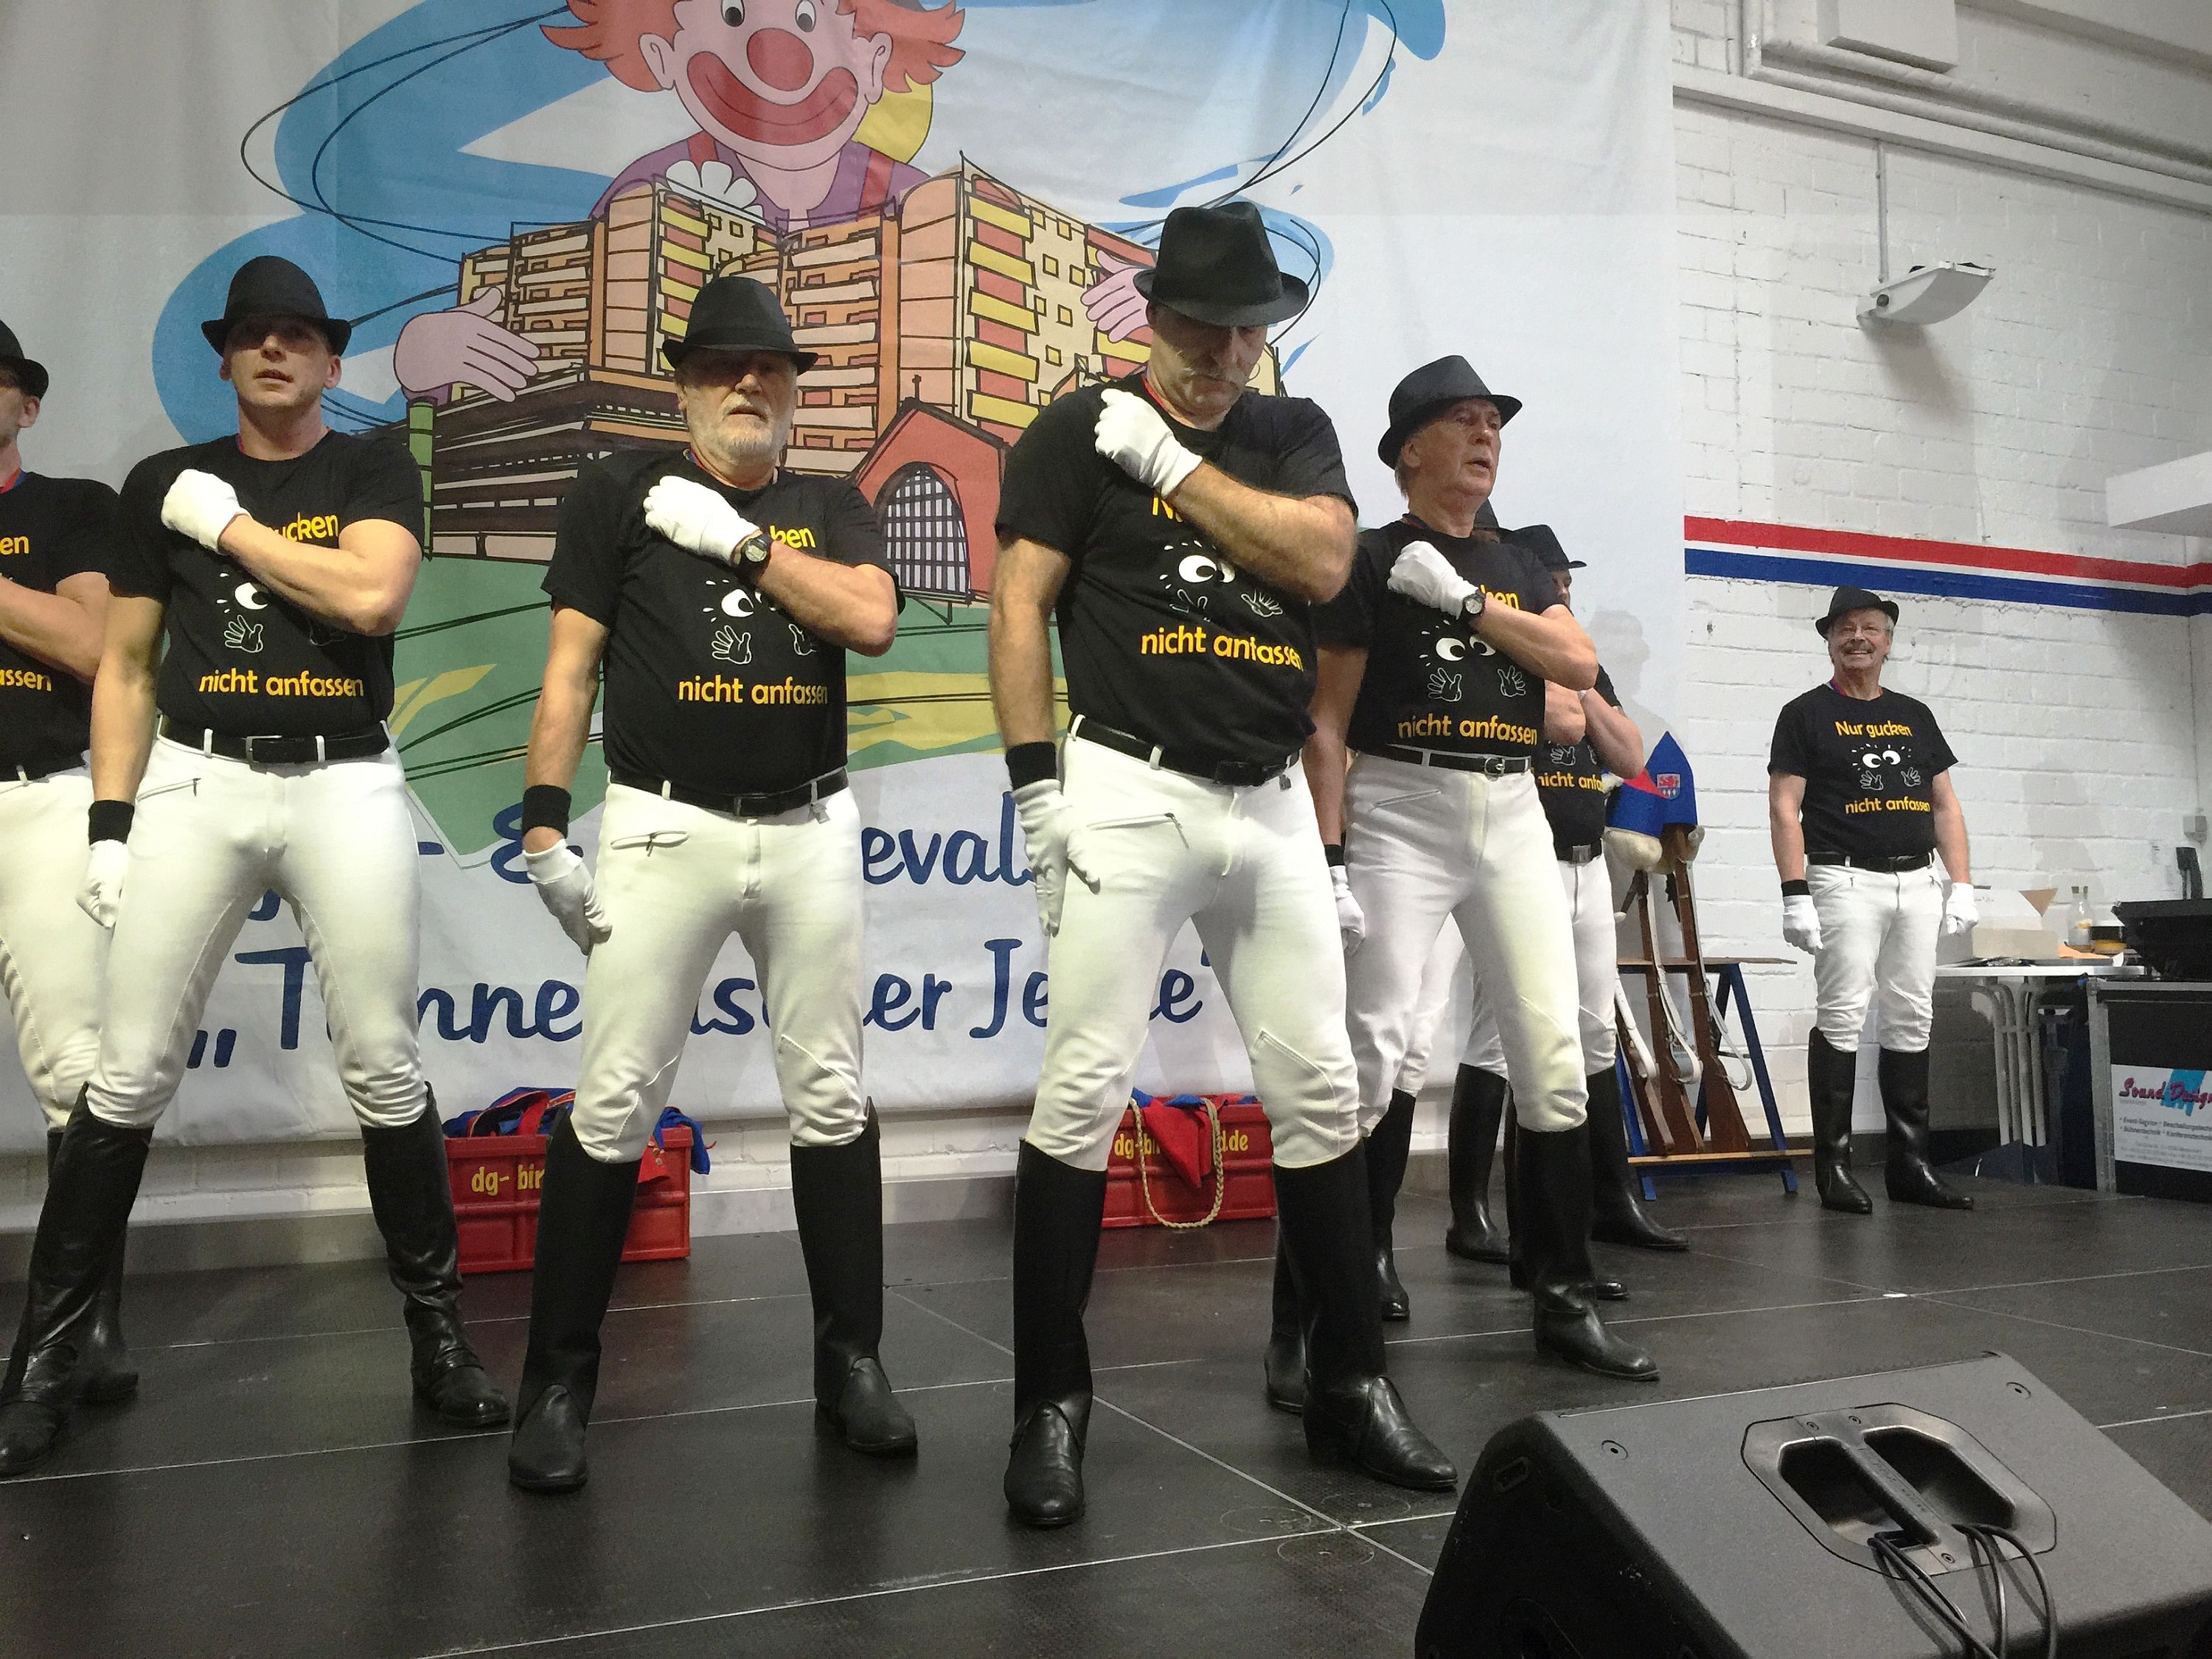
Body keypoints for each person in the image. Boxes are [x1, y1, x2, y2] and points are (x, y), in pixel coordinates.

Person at [0, 257, 509, 1478]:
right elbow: (126, 665)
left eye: (296, 335)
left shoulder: (367, 467)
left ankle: (441, 1345)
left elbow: (372, 597)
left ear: (330, 359)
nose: (273, 351)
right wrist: (110, 820)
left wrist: (226, 527)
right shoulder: (160, 482)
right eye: (252, 336)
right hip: (199, 776)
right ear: (225, 358)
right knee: (124, 1075)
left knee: (383, 1062)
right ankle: (45, 1368)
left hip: (343, 775)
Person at [989, 200, 1455, 1528]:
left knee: (1323, 1090)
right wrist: (1036, 788)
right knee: (1082, 1089)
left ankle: (1348, 1382)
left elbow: (1323, 559)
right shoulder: (1076, 431)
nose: (1226, 354)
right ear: (1154, 315)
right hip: (1128, 783)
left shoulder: (1288, 433)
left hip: (1267, 800)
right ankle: (1050, 1405)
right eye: (1203, 328)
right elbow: (1018, 607)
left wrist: (1175, 470)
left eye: (1249, 330)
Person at [506, 272, 905, 1493]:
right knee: (615, 1097)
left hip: (808, 827)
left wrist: (740, 543)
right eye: (723, 366)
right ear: (682, 384)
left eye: (768, 367)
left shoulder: (829, 504)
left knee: (830, 1093)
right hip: (664, 823)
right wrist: (542, 827)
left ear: (793, 391)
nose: (747, 383)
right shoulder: (616, 491)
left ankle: (852, 1366)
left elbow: (870, 619)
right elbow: (570, 667)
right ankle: (556, 1384)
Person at [1301, 356, 1657, 1385]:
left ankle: (1562, 1295)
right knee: (1377, 1048)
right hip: (1400, 801)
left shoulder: (1519, 565)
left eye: (1492, 422)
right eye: (1461, 421)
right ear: (1410, 449)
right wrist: (1331, 853)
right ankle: (1344, 1283)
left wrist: (1463, 605)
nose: (1485, 435)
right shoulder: (1369, 558)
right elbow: (1329, 719)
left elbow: (1577, 667)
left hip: (1509, 804)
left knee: (1550, 1045)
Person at [1451, 526, 1686, 1294]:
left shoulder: (1582, 662)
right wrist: (1562, 684)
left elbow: (1628, 750)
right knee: (1498, 1039)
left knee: (1593, 1036)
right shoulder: (1496, 651)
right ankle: (1471, 1214)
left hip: (1588, 863)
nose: (1563, 595)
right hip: (1519, 863)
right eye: (1551, 584)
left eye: (1566, 585)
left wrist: (1577, 679)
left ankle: (1609, 1200)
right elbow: (1558, 727)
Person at [0, 323, 132, 1442]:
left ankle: (82, 1328)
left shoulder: (73, 508)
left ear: (26, 406)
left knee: (74, 1072)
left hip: (37, 799)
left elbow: (94, 647)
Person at [1768, 585, 1977, 1214]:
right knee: (1842, 1015)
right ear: (1829, 641)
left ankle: (1909, 1165)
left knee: (1912, 1016)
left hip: (1918, 882)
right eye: (1845, 629)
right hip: (1844, 881)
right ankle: (1833, 1168)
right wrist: (1795, 894)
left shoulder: (1915, 715)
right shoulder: (1805, 714)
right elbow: (1784, 808)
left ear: (1888, 641)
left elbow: (1945, 805)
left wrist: (1962, 883)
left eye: (1871, 628)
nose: (1857, 638)